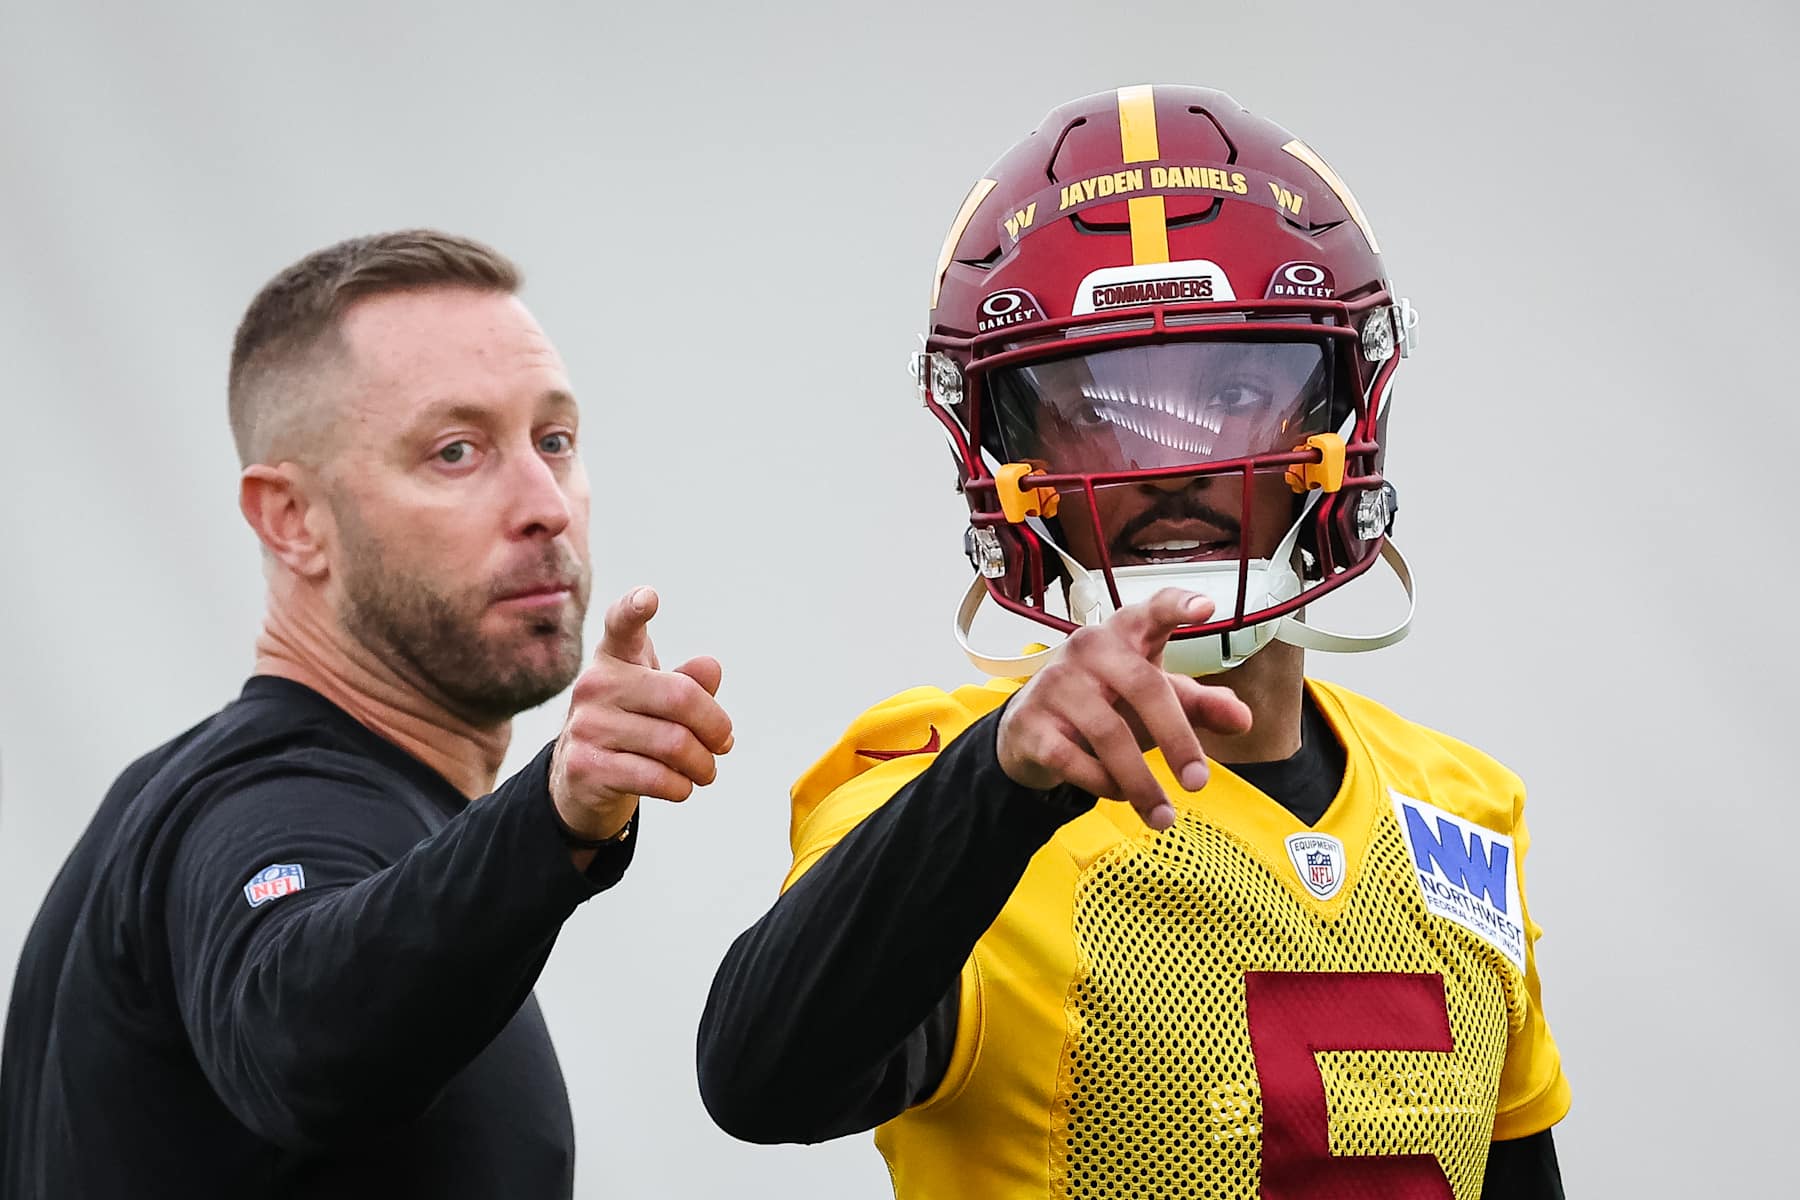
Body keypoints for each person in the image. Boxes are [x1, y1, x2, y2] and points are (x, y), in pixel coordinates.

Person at [697, 86, 1570, 1197]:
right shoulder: (942, 787)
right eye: (1100, 402)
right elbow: (760, 1082)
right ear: (1008, 452)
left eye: (1242, 388)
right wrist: (998, 786)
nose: (1177, 461)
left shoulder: (1462, 810)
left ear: (1343, 422)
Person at [1, 231, 734, 1198]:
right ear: (291, 520)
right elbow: (299, 1041)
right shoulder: (273, 806)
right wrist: (550, 817)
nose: (545, 503)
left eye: (553, 440)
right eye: (456, 451)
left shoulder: (206, 792)